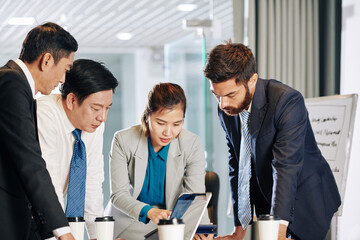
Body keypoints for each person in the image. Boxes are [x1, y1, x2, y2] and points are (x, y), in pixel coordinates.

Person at [204, 41, 341, 240]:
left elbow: (285, 166)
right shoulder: (226, 109)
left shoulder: (287, 101)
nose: (223, 103)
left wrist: (278, 232)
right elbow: (238, 166)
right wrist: (238, 232)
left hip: (306, 201)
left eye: (230, 94)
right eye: (216, 96)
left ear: (252, 80)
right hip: (269, 200)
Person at [104, 83, 211, 240]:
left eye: (177, 124)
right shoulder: (123, 140)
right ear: (147, 116)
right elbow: (118, 195)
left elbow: (194, 197)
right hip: (130, 220)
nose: (168, 132)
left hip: (173, 224)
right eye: (160, 123)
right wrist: (149, 211)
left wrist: (201, 229)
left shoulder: (192, 143)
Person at [0, 22, 78, 240]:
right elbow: (29, 161)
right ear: (46, 60)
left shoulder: (17, 85)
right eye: (65, 69)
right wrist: (63, 232)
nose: (63, 79)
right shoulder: (11, 82)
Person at [36, 59, 119, 240]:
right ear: (72, 100)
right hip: (25, 215)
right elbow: (49, 180)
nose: (102, 117)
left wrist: (98, 236)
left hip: (50, 217)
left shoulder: (92, 124)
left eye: (107, 109)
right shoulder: (45, 113)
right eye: (96, 108)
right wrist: (62, 233)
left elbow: (92, 180)